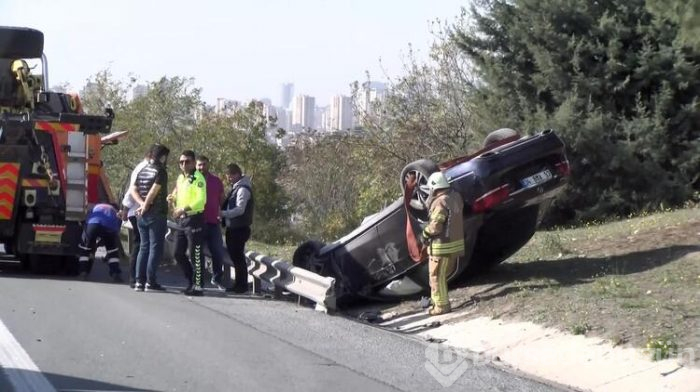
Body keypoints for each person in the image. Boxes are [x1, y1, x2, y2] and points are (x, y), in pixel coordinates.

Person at [421, 171, 465, 316]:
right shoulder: (455, 197)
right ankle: (438, 302)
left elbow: (436, 226)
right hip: (454, 244)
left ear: (434, 187)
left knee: (436, 276)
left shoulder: (440, 202)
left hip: (442, 247)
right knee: (441, 277)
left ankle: (441, 306)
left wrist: (424, 234)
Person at [130, 143, 170, 292]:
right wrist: (146, 205)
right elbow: (154, 191)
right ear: (163, 156)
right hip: (156, 213)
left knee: (143, 248)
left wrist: (141, 205)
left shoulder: (143, 170)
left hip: (142, 215)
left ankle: (139, 282)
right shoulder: (160, 171)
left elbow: (133, 189)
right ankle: (150, 282)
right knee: (155, 248)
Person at [168, 150, 207, 296]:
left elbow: (200, 201)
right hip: (181, 220)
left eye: (187, 162)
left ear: (193, 163)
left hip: (194, 219)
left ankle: (198, 286)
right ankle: (191, 280)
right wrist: (172, 198)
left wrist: (184, 208)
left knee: (195, 254)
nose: (184, 164)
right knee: (178, 253)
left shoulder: (198, 178)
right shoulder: (180, 178)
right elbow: (178, 193)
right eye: (181, 162)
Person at [195, 155, 229, 290]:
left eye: (204, 164)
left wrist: (220, 213)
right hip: (197, 222)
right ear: (195, 166)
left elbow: (222, 199)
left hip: (213, 222)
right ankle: (198, 281)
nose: (202, 167)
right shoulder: (191, 180)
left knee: (218, 251)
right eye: (199, 165)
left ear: (208, 165)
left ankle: (217, 278)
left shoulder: (216, 181)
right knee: (198, 253)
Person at [220, 163, 254, 294]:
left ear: (237, 174)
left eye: (231, 175)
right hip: (233, 228)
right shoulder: (236, 187)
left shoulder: (243, 189)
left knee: (238, 258)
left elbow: (240, 210)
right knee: (235, 257)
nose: (229, 178)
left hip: (239, 229)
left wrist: (222, 214)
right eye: (228, 176)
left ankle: (242, 285)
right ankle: (238, 284)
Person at [120, 148, 151, 288]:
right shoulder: (143, 168)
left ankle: (138, 277)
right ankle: (135, 278)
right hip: (137, 211)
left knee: (140, 244)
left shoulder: (144, 167)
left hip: (137, 210)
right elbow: (132, 190)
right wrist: (125, 209)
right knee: (140, 244)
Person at [78, 203, 123, 281]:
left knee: (85, 249)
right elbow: (116, 231)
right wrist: (102, 243)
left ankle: (83, 271)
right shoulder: (115, 212)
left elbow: (85, 220)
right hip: (109, 226)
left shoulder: (95, 207)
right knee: (112, 251)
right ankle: (115, 272)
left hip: (93, 223)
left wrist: (90, 243)